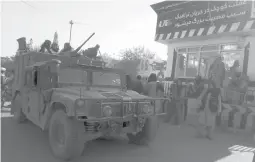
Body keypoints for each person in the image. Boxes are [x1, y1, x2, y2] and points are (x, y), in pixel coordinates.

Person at [196, 56, 224, 140]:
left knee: (211, 120)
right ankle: (203, 133)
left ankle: (208, 134)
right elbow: (205, 92)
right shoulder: (210, 81)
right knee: (204, 119)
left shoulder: (219, 72)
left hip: (212, 103)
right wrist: (200, 101)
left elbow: (218, 98)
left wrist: (219, 109)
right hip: (207, 103)